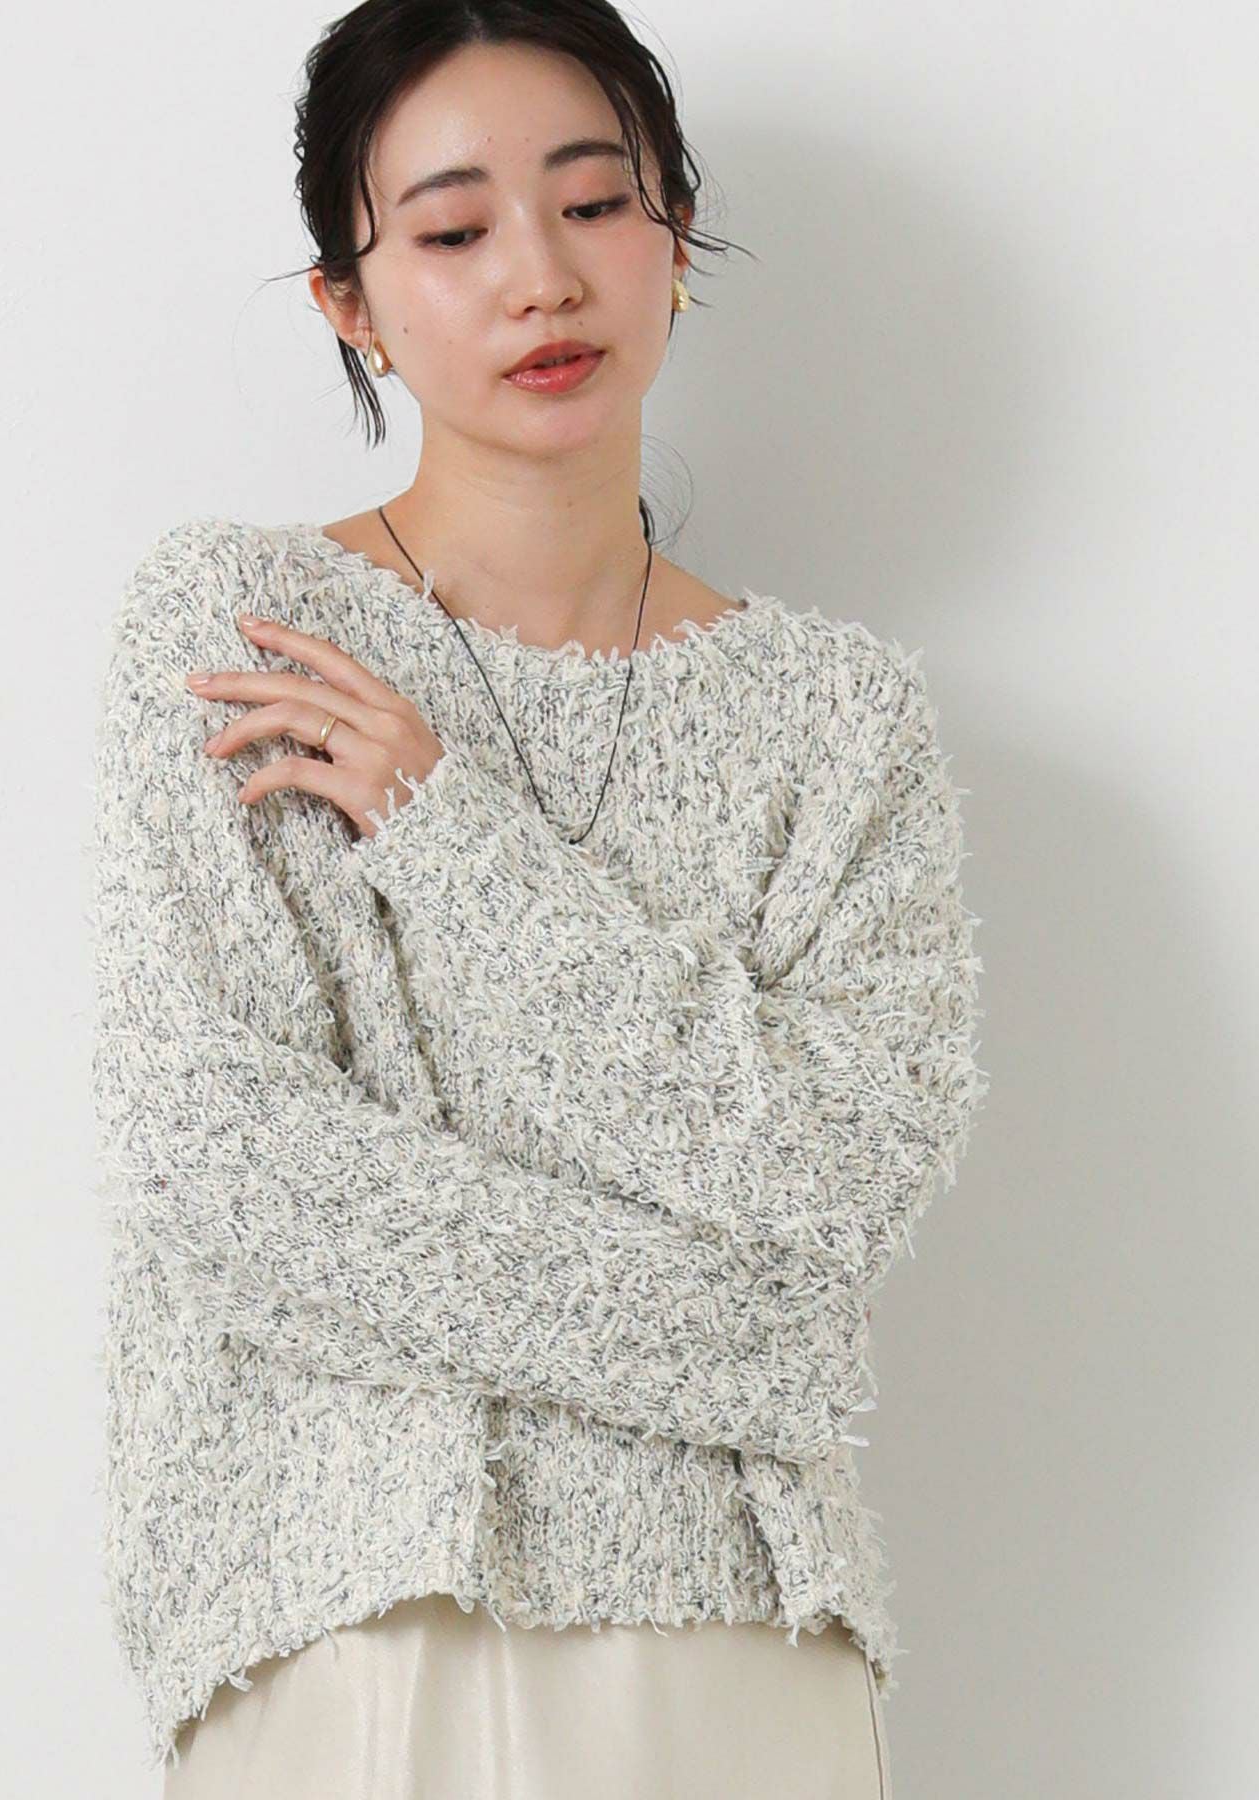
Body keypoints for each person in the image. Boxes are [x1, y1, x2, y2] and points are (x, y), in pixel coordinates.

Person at [89, 3, 989, 1793]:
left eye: (593, 204)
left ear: (676, 233)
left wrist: (446, 838)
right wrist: (754, 1347)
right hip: (352, 1619)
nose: (541, 278)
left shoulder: (841, 720)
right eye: (450, 230)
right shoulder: (245, 635)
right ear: (350, 301)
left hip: (746, 1640)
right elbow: (228, 1169)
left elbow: (841, 1173)